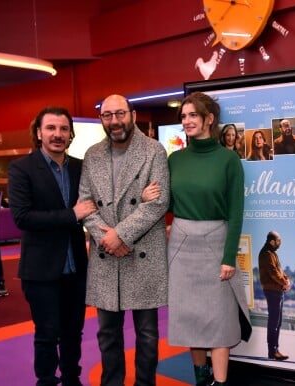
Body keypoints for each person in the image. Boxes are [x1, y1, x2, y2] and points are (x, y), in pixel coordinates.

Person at [79, 95, 170, 386]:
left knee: (147, 335)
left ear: (132, 114)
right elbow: (85, 203)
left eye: (120, 114)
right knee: (107, 334)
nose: (114, 121)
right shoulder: (92, 155)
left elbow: (159, 203)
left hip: (143, 252)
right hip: (106, 255)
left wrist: (120, 234)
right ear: (102, 119)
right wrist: (108, 238)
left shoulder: (154, 150)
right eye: (107, 115)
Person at [8, 106, 97, 386]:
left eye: (63, 129)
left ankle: (72, 379)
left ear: (70, 133)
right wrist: (72, 214)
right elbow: (23, 217)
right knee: (46, 334)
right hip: (40, 271)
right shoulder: (21, 168)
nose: (57, 134)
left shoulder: (81, 167)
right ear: (39, 132)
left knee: (73, 333)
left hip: (76, 270)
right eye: (51, 128)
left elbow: (96, 205)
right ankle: (46, 380)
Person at [167, 92, 251, 386]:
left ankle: (221, 382)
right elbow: (167, 203)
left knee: (219, 321)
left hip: (216, 244)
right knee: (192, 320)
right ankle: (201, 380)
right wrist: (148, 197)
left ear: (209, 119)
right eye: (184, 116)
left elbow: (236, 211)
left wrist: (229, 256)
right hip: (181, 247)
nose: (187, 121)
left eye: (193, 115)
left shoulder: (228, 159)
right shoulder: (174, 159)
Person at [258, 231, 291, 361]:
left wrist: (286, 281)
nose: (280, 243)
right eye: (278, 241)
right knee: (274, 322)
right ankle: (273, 351)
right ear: (272, 241)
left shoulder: (272, 253)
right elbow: (273, 273)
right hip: (272, 291)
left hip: (276, 290)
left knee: (277, 321)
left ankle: (274, 350)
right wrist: (284, 283)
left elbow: (279, 271)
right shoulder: (267, 254)